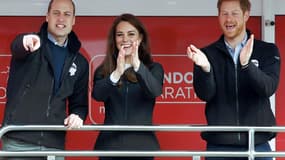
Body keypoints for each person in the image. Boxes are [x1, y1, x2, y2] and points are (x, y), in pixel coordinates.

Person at [186, 0, 280, 160]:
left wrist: (246, 65)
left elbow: (268, 88)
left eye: (234, 13)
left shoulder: (267, 50)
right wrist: (206, 69)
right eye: (224, 13)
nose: (228, 19)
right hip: (219, 147)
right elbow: (205, 94)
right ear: (218, 16)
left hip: (257, 144)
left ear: (246, 15)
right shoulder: (207, 54)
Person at [2, 0, 89, 159]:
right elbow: (17, 46)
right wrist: (26, 41)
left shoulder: (80, 62)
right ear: (47, 16)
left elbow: (80, 105)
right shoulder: (32, 44)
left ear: (74, 20)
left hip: (53, 147)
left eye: (67, 14)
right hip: (18, 143)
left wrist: (78, 115)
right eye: (56, 13)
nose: (61, 19)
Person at [92, 13, 164, 160]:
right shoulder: (104, 70)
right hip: (110, 147)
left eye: (131, 34)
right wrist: (117, 72)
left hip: (142, 147)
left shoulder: (153, 68)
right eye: (120, 35)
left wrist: (137, 65)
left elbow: (154, 91)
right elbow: (97, 95)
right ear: (115, 39)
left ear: (140, 38)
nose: (125, 39)